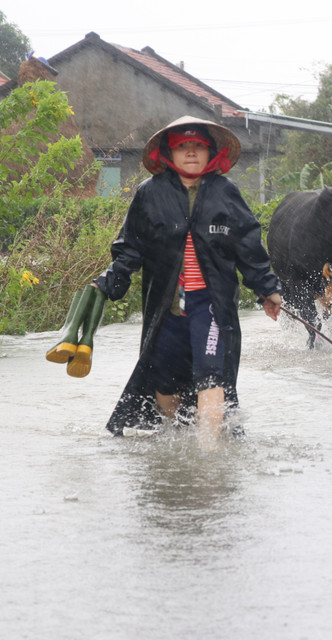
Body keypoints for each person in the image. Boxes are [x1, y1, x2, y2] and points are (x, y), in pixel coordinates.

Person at [93, 115, 282, 445]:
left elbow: (248, 245)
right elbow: (130, 248)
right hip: (167, 305)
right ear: (169, 153)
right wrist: (108, 282)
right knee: (164, 380)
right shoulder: (150, 193)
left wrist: (268, 289)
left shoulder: (226, 193)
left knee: (212, 374)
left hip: (211, 303)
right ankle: (177, 437)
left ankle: (208, 455)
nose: (191, 152)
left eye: (198, 146)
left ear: (211, 153)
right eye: (183, 146)